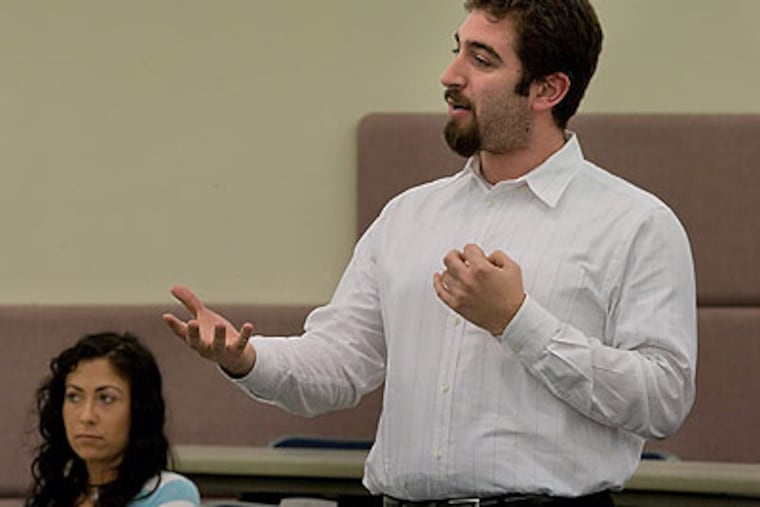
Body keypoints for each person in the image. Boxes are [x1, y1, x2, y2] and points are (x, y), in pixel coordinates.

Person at [164, 1, 697, 505]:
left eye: (481, 59)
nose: (450, 75)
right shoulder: (407, 217)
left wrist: (517, 321)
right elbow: (340, 364)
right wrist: (247, 359)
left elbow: (662, 400)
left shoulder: (634, 224)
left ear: (548, 89)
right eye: (458, 48)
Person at [27, 332, 201, 507]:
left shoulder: (169, 493)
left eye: (106, 399)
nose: (86, 416)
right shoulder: (55, 495)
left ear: (139, 410)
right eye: (74, 397)